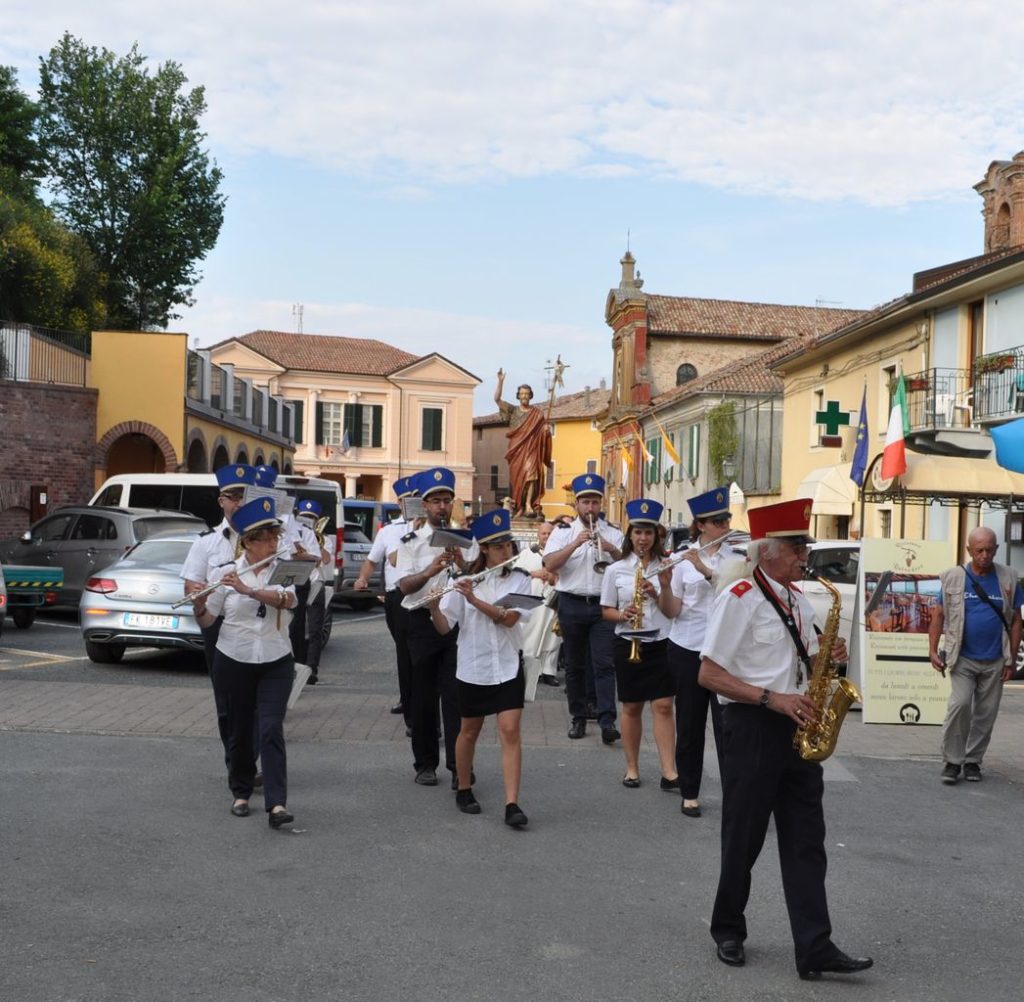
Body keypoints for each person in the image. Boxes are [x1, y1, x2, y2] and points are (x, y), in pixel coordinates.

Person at [698, 499, 871, 980]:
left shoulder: (798, 598)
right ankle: (728, 928)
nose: (805, 556)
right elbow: (709, 673)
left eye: (804, 546)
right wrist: (770, 699)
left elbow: (803, 663)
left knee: (806, 842)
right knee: (743, 837)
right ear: (768, 550)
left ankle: (815, 947)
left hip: (797, 724)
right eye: (798, 547)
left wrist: (827, 657)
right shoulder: (738, 596)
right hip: (754, 725)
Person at [193, 497, 298, 829]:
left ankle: (277, 805)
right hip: (234, 657)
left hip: (276, 658)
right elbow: (209, 621)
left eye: (275, 537)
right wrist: (197, 603)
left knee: (270, 728)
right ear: (249, 543)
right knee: (239, 729)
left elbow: (287, 599)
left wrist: (250, 591)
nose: (274, 543)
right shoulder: (226, 574)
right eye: (267, 538)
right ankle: (240, 792)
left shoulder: (285, 568)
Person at [428, 508, 533, 826]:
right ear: (484, 549)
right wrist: (433, 606)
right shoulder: (464, 581)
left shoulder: (521, 580)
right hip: (474, 667)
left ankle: (512, 803)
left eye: (508, 545)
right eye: (499, 546)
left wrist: (474, 600)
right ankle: (463, 787)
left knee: (510, 730)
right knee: (468, 731)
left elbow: (510, 618)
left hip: (507, 665)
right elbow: (446, 629)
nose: (507, 551)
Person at [395, 467, 479, 787]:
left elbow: (476, 575)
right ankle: (425, 763)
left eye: (447, 500)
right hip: (420, 620)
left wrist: (464, 562)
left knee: (457, 696)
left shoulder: (464, 538)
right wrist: (431, 569)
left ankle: (460, 767)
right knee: (424, 697)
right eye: (435, 501)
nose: (442, 507)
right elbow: (404, 586)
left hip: (456, 619)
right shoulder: (411, 541)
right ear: (424, 505)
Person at [661, 487, 736, 818]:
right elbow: (672, 611)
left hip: (724, 652)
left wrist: (707, 572)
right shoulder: (681, 560)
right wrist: (663, 585)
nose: (725, 525)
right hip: (687, 648)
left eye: (726, 519)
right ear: (701, 525)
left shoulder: (736, 559)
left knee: (728, 727)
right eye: (718, 521)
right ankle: (689, 791)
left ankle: (736, 794)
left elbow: (736, 598)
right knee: (690, 723)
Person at [928, 525, 1023, 784]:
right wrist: (932, 650)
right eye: (979, 550)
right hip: (963, 658)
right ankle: (952, 761)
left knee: (986, 713)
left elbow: (1016, 621)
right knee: (959, 705)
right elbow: (939, 615)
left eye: (989, 550)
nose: (984, 555)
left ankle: (972, 762)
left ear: (996, 550)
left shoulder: (1008, 578)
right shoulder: (953, 577)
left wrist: (1011, 659)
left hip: (994, 659)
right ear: (969, 550)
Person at [180, 464, 257, 771]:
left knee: (256, 701)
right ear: (221, 501)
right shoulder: (205, 542)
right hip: (219, 624)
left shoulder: (267, 539)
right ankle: (237, 763)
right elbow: (190, 583)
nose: (237, 502)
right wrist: (196, 591)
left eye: (242, 496)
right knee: (226, 702)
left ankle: (248, 760)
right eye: (231, 496)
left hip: (256, 622)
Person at [599, 498, 678, 790]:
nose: (643, 538)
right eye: (638, 532)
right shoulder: (615, 570)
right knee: (631, 706)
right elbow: (605, 610)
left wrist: (660, 590)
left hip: (661, 640)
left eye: (648, 532)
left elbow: (672, 612)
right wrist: (623, 613)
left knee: (663, 706)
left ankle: (669, 770)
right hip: (627, 640)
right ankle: (631, 767)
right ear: (630, 535)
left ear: (657, 535)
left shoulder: (667, 567)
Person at [542, 474, 624, 743]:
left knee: (604, 664)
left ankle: (607, 721)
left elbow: (629, 564)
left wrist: (611, 549)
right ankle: (577, 717)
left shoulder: (612, 532)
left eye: (595, 502)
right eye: (586, 502)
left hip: (603, 605)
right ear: (576, 504)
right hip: (572, 603)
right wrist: (575, 543)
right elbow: (550, 565)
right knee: (575, 666)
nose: (591, 508)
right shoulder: (563, 532)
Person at [354, 477, 420, 729]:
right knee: (403, 653)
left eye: (416, 498)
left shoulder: (430, 529)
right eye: (407, 500)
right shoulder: (389, 530)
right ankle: (408, 701)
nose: (412, 503)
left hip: (424, 595)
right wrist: (362, 578)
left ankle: (420, 710)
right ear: (400, 502)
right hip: (397, 597)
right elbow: (375, 560)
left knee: (421, 653)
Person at [494, 368, 553, 519]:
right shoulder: (512, 411)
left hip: (532, 448)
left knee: (532, 474)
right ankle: (519, 505)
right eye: (522, 394)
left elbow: (542, 433)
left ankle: (528, 505)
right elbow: (497, 400)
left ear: (530, 396)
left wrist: (546, 431)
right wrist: (500, 382)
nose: (525, 396)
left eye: (527, 394)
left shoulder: (537, 414)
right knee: (518, 480)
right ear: (518, 396)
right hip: (517, 450)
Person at [514, 519, 562, 696]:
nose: (546, 537)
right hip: (534, 599)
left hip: (552, 598)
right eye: (544, 533)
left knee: (552, 635)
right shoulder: (528, 553)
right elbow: (517, 572)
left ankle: (548, 671)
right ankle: (528, 666)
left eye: (550, 534)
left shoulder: (558, 553)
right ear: (538, 535)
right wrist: (535, 573)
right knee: (531, 632)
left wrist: (553, 575)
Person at [293, 499, 334, 684]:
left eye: (311, 517)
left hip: (316, 582)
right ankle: (298, 665)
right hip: (297, 583)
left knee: (315, 628)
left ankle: (312, 669)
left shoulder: (324, 539)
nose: (307, 520)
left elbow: (323, 560)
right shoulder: (291, 532)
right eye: (305, 516)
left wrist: (318, 540)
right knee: (296, 626)